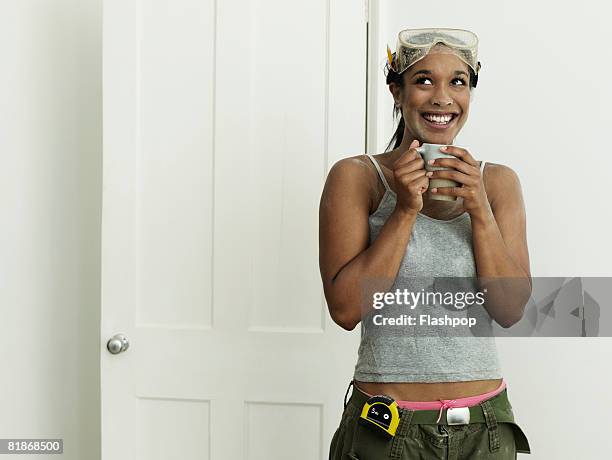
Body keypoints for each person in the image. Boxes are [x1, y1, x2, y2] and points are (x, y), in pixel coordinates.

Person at [319, 28, 532, 458]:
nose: (443, 97)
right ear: (396, 92)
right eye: (423, 80)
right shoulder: (358, 178)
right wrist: (404, 210)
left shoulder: (497, 183)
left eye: (458, 81)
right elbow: (345, 310)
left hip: (486, 429)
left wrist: (480, 211)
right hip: (387, 429)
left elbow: (510, 310)